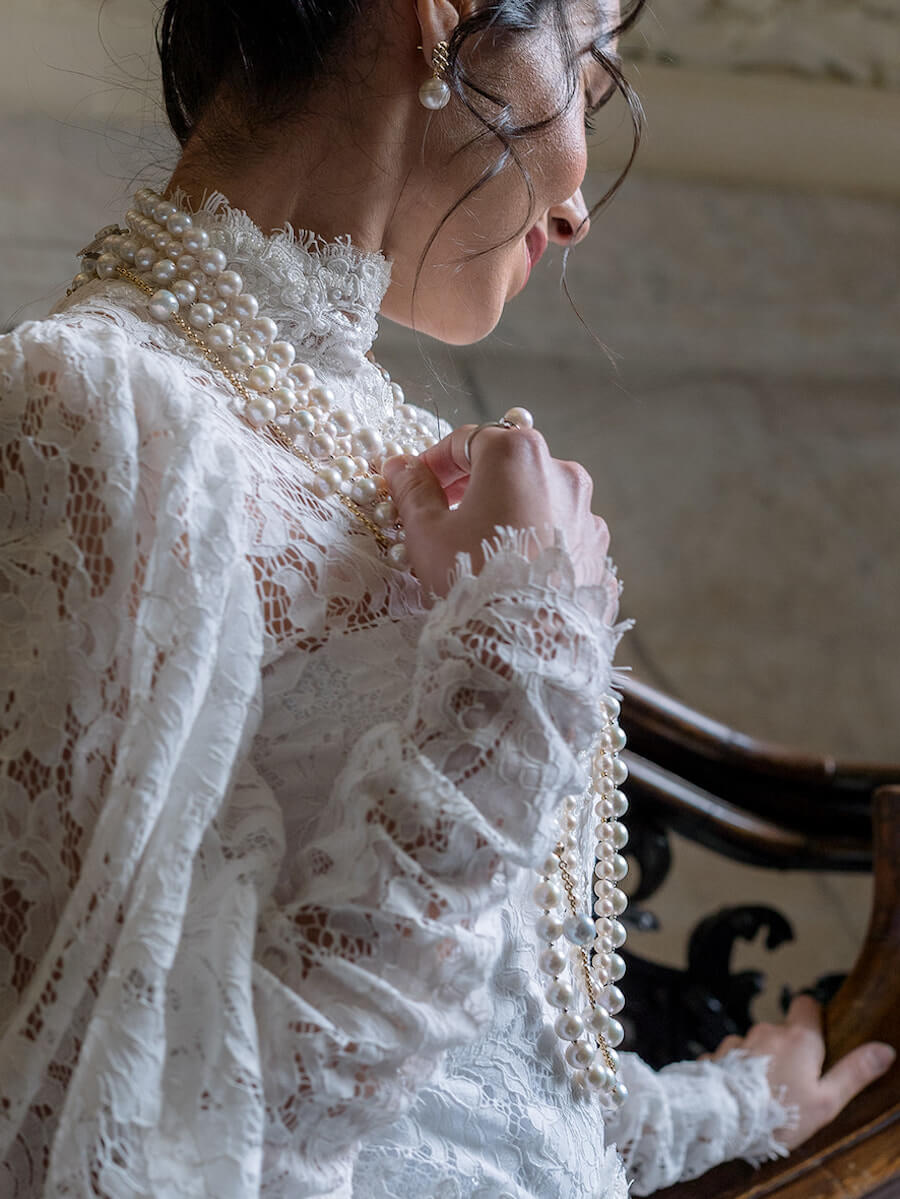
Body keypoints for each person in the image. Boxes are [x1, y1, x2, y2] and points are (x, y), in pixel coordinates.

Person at [0, 0, 894, 1194]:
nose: (576, 209)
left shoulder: (405, 452)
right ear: (439, 16)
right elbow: (149, 1133)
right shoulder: (86, 410)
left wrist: (737, 1101)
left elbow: (479, 1094)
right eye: (591, 76)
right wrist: (520, 666)